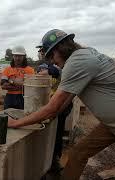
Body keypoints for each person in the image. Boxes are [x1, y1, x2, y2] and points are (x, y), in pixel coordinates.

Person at [7, 29, 115, 180]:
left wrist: (17, 123)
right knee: (78, 153)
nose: (51, 61)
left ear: (60, 49)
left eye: (51, 55)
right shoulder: (83, 55)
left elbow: (53, 107)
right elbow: (67, 98)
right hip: (114, 121)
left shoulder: (76, 62)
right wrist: (50, 116)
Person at [37, 44, 73, 174]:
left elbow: (63, 73)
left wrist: (53, 71)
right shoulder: (41, 65)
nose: (41, 53)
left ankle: (55, 160)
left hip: (61, 104)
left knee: (57, 133)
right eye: (40, 51)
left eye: (42, 51)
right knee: (44, 133)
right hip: (45, 104)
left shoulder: (61, 63)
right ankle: (44, 159)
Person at [1, 45, 35, 110]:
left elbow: (31, 87)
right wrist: (20, 84)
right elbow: (3, 85)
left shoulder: (30, 70)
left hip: (24, 97)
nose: (17, 58)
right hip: (10, 98)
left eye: (20, 56)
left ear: (24, 57)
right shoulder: (7, 69)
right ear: (13, 56)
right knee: (8, 117)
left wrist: (11, 81)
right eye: (15, 56)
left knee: (23, 117)